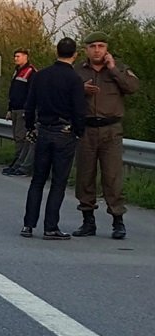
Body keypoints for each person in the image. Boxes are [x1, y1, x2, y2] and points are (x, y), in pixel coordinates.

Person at [72, 31, 139, 239]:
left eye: (101, 46)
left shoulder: (119, 68)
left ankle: (118, 221)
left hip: (111, 130)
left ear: (107, 48)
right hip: (86, 130)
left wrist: (113, 70)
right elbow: (64, 95)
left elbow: (133, 87)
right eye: (93, 46)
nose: (97, 50)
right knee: (85, 176)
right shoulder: (77, 71)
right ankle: (88, 221)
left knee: (112, 177)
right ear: (86, 49)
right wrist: (80, 90)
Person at [20, 37, 86, 240]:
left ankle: (28, 225)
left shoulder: (41, 76)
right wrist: (79, 131)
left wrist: (30, 126)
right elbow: (78, 110)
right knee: (58, 182)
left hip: (43, 132)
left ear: (56, 52)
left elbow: (29, 104)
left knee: (37, 180)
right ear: (75, 54)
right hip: (64, 133)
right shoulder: (74, 79)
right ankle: (50, 227)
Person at [3, 48, 37, 177]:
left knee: (21, 137)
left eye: (18, 56)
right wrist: (9, 109)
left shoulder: (30, 72)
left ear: (25, 57)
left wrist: (28, 111)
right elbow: (13, 92)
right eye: (15, 56)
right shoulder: (17, 71)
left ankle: (19, 163)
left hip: (24, 109)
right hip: (15, 109)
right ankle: (17, 162)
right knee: (17, 138)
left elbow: (31, 93)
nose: (16, 59)